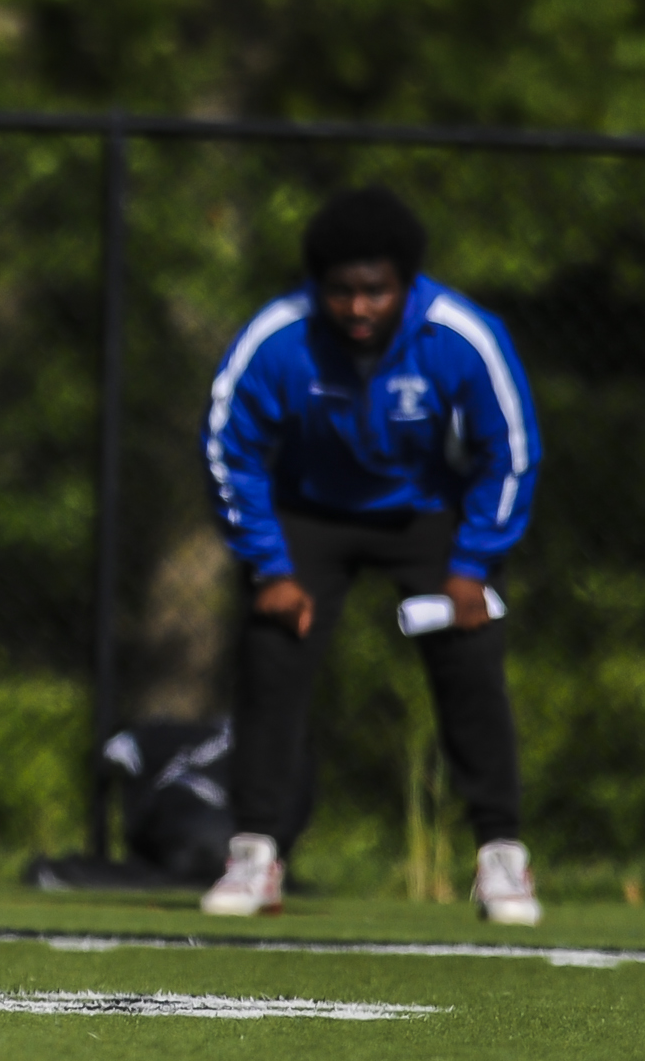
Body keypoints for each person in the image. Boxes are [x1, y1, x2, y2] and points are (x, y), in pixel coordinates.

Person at [199, 185, 543, 924]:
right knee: (271, 663)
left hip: (428, 515)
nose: (358, 309)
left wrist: (470, 566)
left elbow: (507, 453)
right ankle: (255, 853)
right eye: (341, 292)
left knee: (470, 663)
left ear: (404, 285)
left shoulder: (459, 336)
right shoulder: (277, 340)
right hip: (307, 516)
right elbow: (231, 452)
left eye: (375, 292)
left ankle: (500, 858)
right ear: (316, 288)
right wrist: (270, 566)